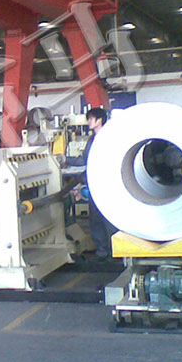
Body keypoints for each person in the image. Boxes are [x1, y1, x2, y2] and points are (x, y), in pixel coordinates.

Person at [65, 107, 111, 260]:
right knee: (95, 219)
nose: (89, 122)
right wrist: (65, 160)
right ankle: (102, 251)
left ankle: (116, 251)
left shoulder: (110, 136)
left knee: (110, 219)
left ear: (99, 120)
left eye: (91, 119)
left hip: (109, 184)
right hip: (94, 184)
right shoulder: (92, 139)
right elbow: (85, 160)